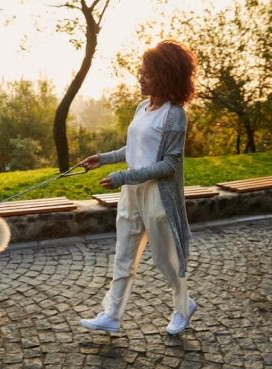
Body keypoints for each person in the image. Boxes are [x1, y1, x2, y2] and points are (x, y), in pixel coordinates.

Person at [80, 40, 198, 335]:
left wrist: (123, 177)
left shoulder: (174, 115)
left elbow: (168, 165)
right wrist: (104, 159)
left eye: (147, 73)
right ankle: (112, 315)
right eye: (141, 72)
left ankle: (184, 306)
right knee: (124, 254)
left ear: (165, 75)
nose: (141, 78)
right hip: (131, 192)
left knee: (164, 259)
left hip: (158, 195)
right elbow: (134, 148)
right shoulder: (142, 107)